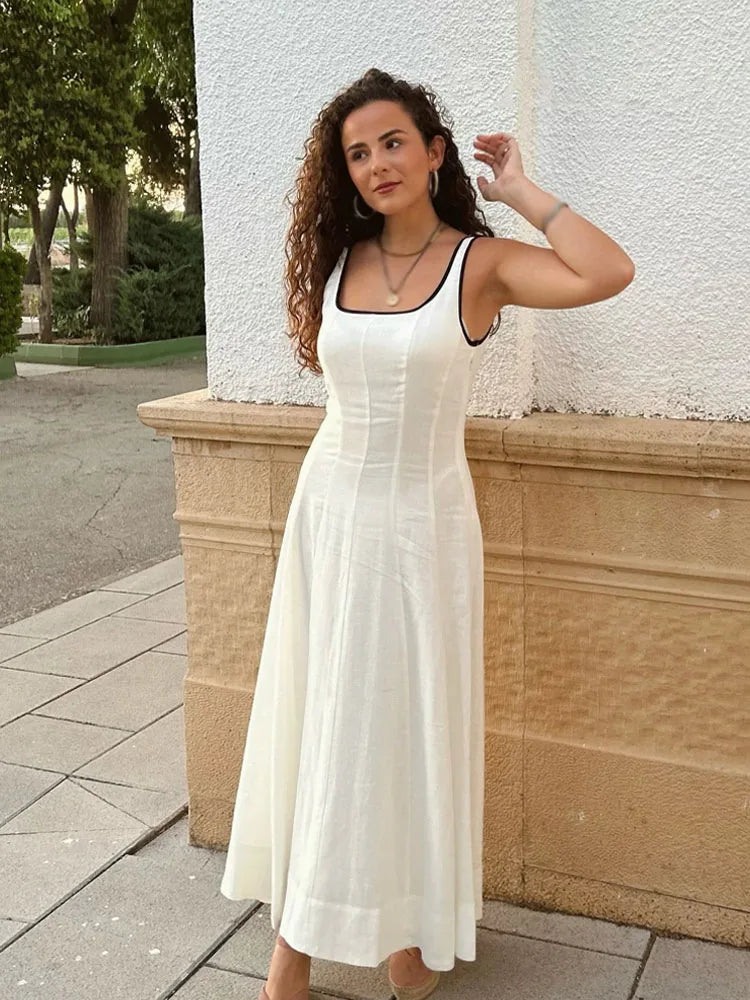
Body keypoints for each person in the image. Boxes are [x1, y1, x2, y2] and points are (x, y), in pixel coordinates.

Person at [220, 68, 635, 1000]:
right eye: (357, 153)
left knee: (404, 725)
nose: (377, 164)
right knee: (328, 720)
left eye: (393, 142)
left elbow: (607, 271)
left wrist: (522, 190)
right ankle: (293, 955)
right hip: (328, 519)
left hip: (424, 525)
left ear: (435, 150)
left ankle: (406, 939)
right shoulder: (335, 260)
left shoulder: (478, 265)